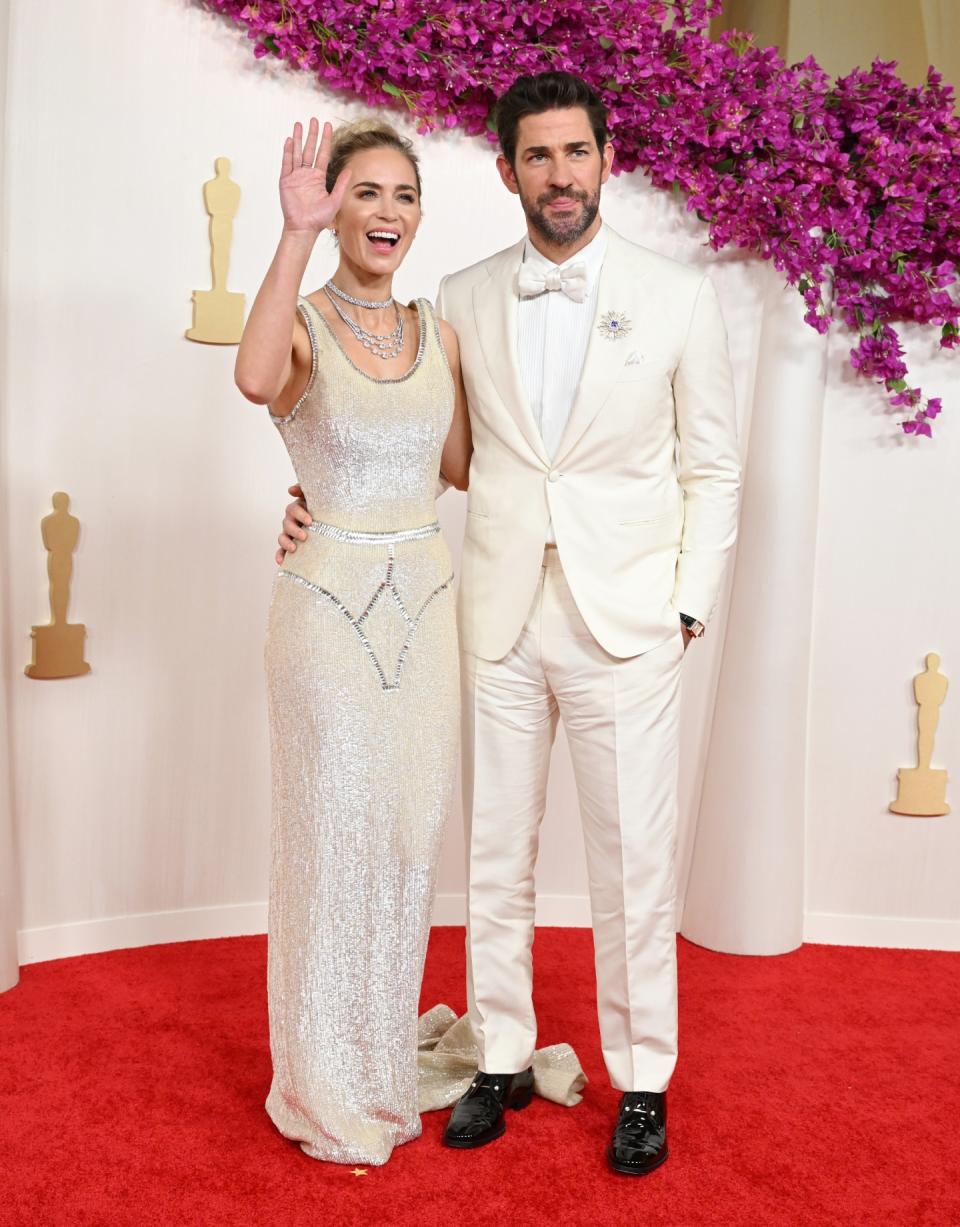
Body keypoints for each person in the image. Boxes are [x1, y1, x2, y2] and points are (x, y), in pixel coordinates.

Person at [279, 71, 741, 1176]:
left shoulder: (679, 295)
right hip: (488, 614)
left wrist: (686, 603)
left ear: (605, 161)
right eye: (537, 157)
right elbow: (400, 434)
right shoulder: (463, 296)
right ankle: (499, 1053)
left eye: (575, 153)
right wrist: (312, 502)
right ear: (506, 173)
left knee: (635, 864)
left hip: (626, 620)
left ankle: (641, 1082)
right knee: (495, 857)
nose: (560, 175)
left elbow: (714, 469)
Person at [235, 116, 471, 1166]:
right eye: (364, 193)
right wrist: (289, 236)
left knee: (407, 837)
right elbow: (252, 380)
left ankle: (378, 1061)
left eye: (403, 195)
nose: (386, 212)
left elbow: (458, 466)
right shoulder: (304, 322)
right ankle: (322, 1081)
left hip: (427, 610)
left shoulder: (440, 330)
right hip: (327, 618)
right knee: (332, 839)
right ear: (335, 207)